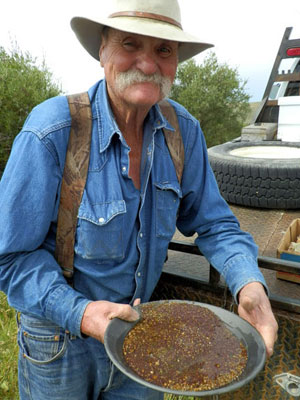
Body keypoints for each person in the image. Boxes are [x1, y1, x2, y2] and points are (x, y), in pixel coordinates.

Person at [0, 1, 278, 399]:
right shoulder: (52, 132)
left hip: (143, 334)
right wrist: (81, 313)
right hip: (59, 345)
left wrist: (249, 284)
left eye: (164, 50)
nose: (148, 65)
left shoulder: (183, 132)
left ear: (177, 61)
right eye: (130, 44)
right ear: (102, 51)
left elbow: (215, 224)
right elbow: (10, 257)